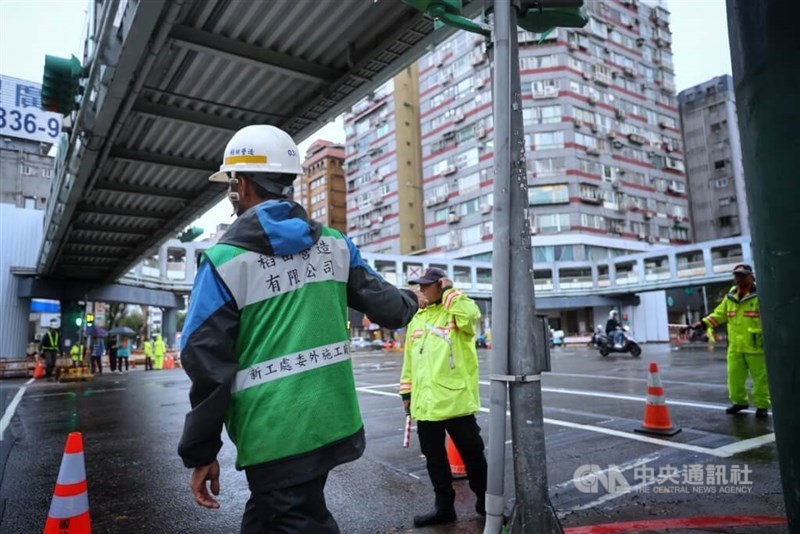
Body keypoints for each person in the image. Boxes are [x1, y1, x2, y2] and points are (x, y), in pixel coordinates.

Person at [177, 125, 421, 532]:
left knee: (293, 520)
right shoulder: (335, 245)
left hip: (276, 434)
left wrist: (201, 450)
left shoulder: (222, 262)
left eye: (231, 183)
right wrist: (414, 296)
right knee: (271, 519)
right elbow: (392, 309)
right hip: (331, 420)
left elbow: (204, 361)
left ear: (240, 184)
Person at [400, 267, 487, 527]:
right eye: (419, 286)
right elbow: (409, 360)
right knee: (435, 460)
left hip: (455, 402)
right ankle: (443, 507)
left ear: (440, 285)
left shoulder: (456, 309)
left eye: (426, 286)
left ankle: (485, 503)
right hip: (426, 405)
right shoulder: (417, 318)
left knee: (473, 455)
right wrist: (406, 392)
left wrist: (450, 291)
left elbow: (471, 316)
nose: (421, 290)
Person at [693, 264, 770, 417]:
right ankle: (739, 402)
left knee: (760, 379)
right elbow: (719, 314)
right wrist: (703, 323)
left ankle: (762, 406)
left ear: (751, 276)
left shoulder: (761, 295)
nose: (738, 279)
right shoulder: (731, 296)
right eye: (736, 275)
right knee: (734, 377)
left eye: (742, 275)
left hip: (756, 346)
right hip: (735, 347)